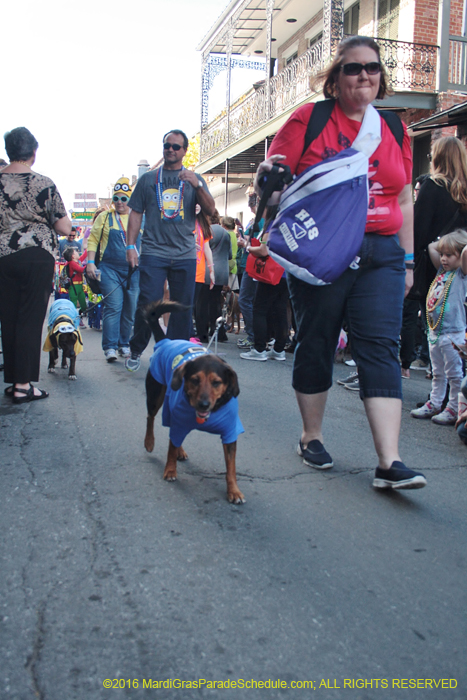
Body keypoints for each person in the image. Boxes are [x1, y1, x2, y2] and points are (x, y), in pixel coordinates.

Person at [255, 35, 427, 490]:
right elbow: (274, 185)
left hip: (382, 253)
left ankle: (389, 461)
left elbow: (405, 198)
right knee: (318, 339)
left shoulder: (393, 128)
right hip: (324, 250)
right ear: (336, 78)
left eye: (372, 68)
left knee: (379, 347)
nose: (364, 75)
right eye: (353, 68)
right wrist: (266, 189)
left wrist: (408, 261)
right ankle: (312, 435)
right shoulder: (310, 120)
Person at [124, 129, 215, 371]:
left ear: (184, 151)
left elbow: (211, 210)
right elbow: (135, 213)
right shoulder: (149, 179)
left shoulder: (194, 178)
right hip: (154, 252)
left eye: (176, 146)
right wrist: (131, 246)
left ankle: (176, 355)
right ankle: (136, 349)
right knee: (149, 303)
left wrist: (198, 186)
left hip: (185, 254)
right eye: (167, 146)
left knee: (182, 307)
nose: (170, 150)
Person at [0, 126, 71, 403]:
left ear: (9, 151)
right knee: (30, 319)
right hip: (37, 255)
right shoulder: (44, 183)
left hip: (3, 255)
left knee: (9, 318)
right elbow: (63, 225)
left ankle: (14, 380)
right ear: (33, 152)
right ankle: (23, 385)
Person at [410, 230, 467, 424]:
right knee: (438, 372)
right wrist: (449, 242)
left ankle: (453, 408)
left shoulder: (461, 274)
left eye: (449, 255)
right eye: (443, 255)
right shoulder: (442, 272)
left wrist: (460, 244)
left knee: (454, 374)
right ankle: (435, 402)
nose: (443, 258)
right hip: (435, 331)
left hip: (453, 333)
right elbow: (432, 247)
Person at [87, 178, 141, 362]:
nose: (119, 202)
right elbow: (93, 239)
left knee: (130, 309)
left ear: (129, 200)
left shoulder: (139, 216)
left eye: (123, 199)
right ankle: (110, 347)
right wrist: (90, 263)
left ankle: (124, 344)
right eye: (116, 198)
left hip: (134, 270)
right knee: (114, 306)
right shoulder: (105, 217)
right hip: (109, 269)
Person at [240, 207, 289, 362]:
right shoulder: (287, 221)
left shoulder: (272, 224)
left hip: (271, 273)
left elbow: (263, 250)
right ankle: (279, 349)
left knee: (259, 309)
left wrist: (247, 247)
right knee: (280, 310)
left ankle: (259, 348)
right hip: (286, 272)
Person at [63, 247, 88, 315]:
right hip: (74, 286)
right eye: (76, 252)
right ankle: (73, 315)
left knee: (83, 302)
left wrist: (88, 249)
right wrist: (88, 266)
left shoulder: (77, 262)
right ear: (73, 256)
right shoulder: (71, 263)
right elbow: (81, 270)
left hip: (79, 285)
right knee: (73, 302)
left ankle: (81, 312)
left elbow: (83, 256)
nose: (78, 253)